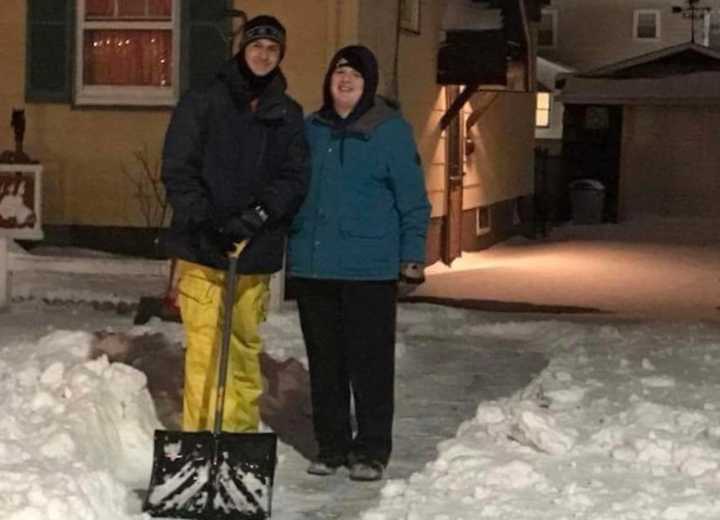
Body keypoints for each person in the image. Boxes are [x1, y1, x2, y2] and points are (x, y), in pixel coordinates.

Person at [287, 45, 431, 481]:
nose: (344, 80)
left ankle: (370, 450)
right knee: (325, 363)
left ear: (369, 84)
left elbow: (413, 201)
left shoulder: (390, 131)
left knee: (369, 365)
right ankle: (331, 447)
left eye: (354, 75)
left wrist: (412, 256)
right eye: (338, 73)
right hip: (315, 267)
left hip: (369, 269)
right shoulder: (311, 129)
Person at [161, 15, 309, 433]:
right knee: (207, 350)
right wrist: (206, 223)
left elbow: (295, 177)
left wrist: (257, 216)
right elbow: (178, 167)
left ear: (280, 57)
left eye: (273, 49)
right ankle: (202, 438)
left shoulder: (287, 113)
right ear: (242, 48)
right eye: (257, 45)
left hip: (254, 249)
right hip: (202, 247)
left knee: (242, 352)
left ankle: (236, 441)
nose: (263, 54)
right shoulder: (204, 99)